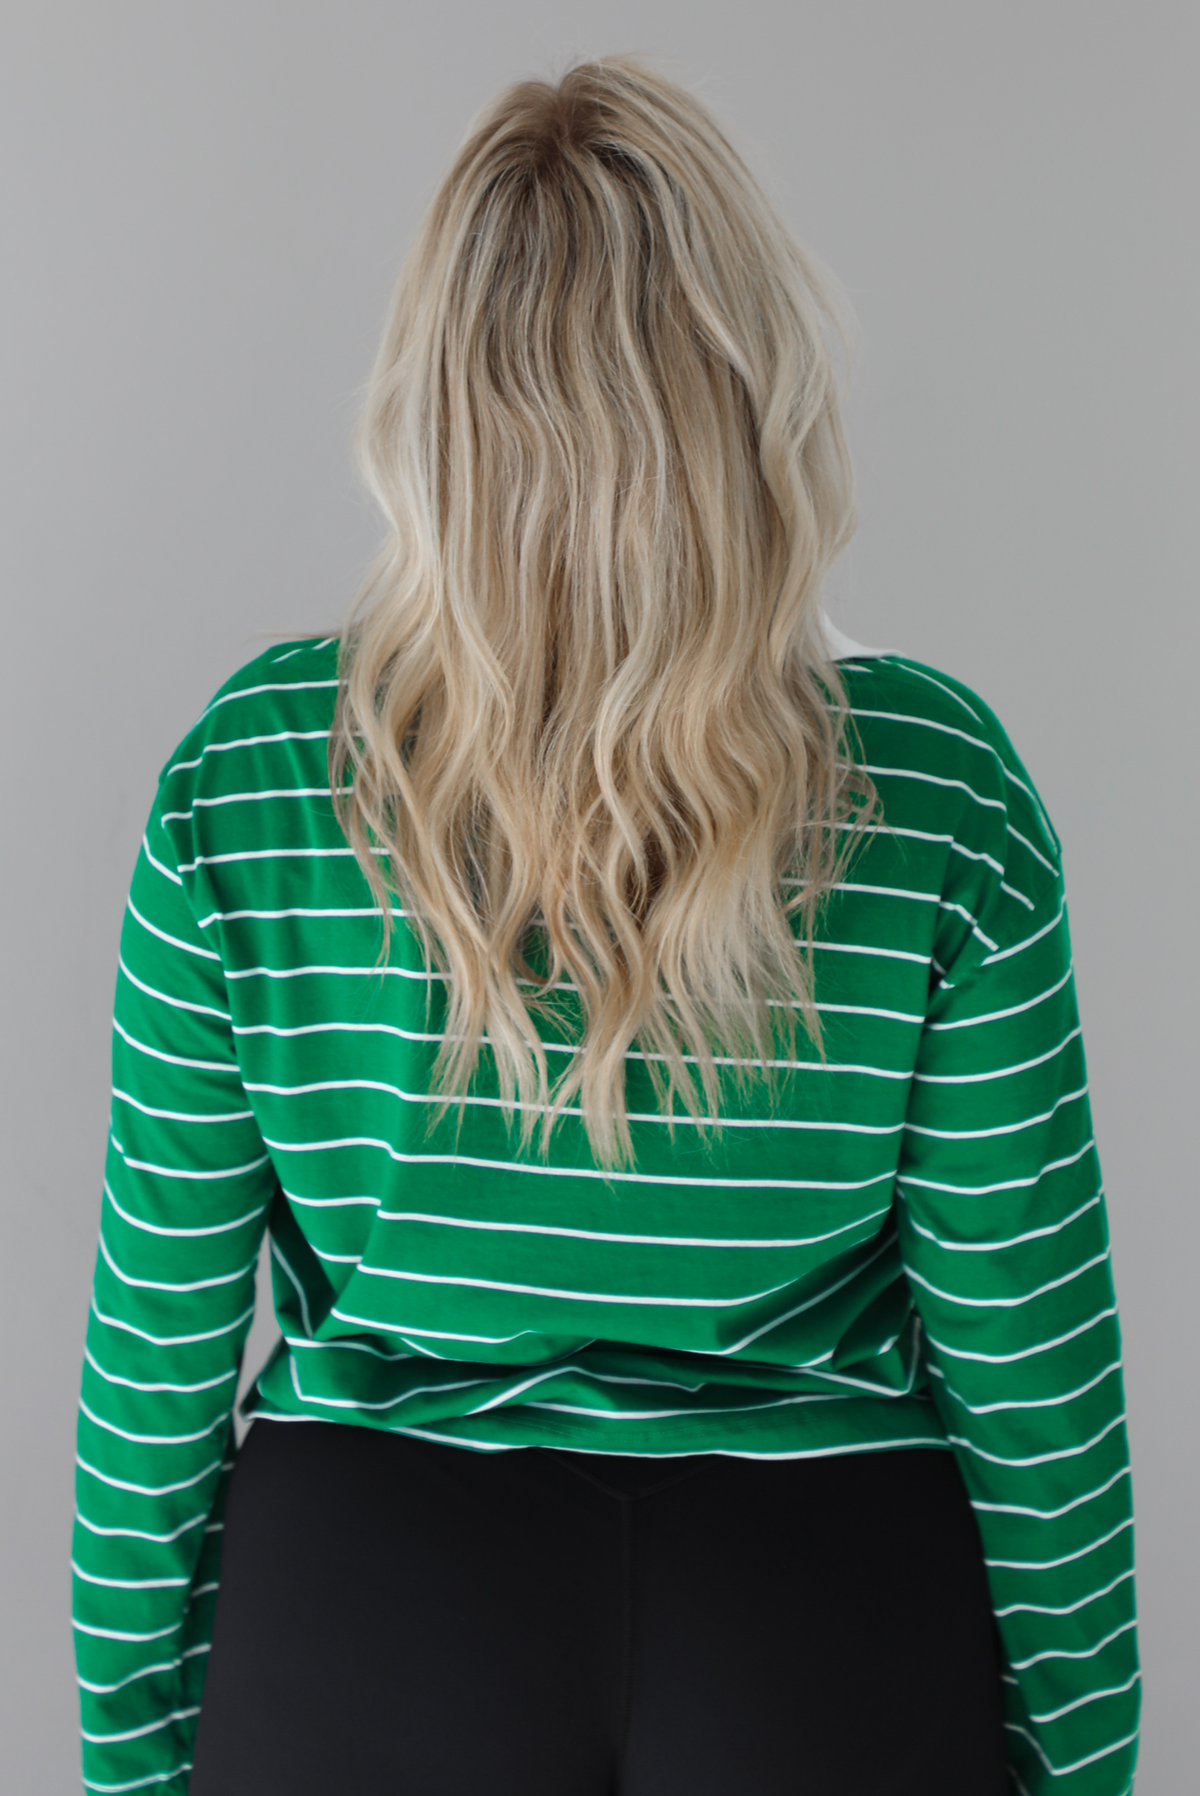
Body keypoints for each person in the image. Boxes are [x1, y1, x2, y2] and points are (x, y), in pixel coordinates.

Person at [72, 53, 1140, 1796]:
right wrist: (1076, 1756)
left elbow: (158, 1369)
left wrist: (138, 1749)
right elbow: (1031, 1375)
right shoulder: (940, 790)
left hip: (369, 1616)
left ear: (431, 402)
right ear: (753, 387)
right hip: (823, 1627)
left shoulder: (255, 776)